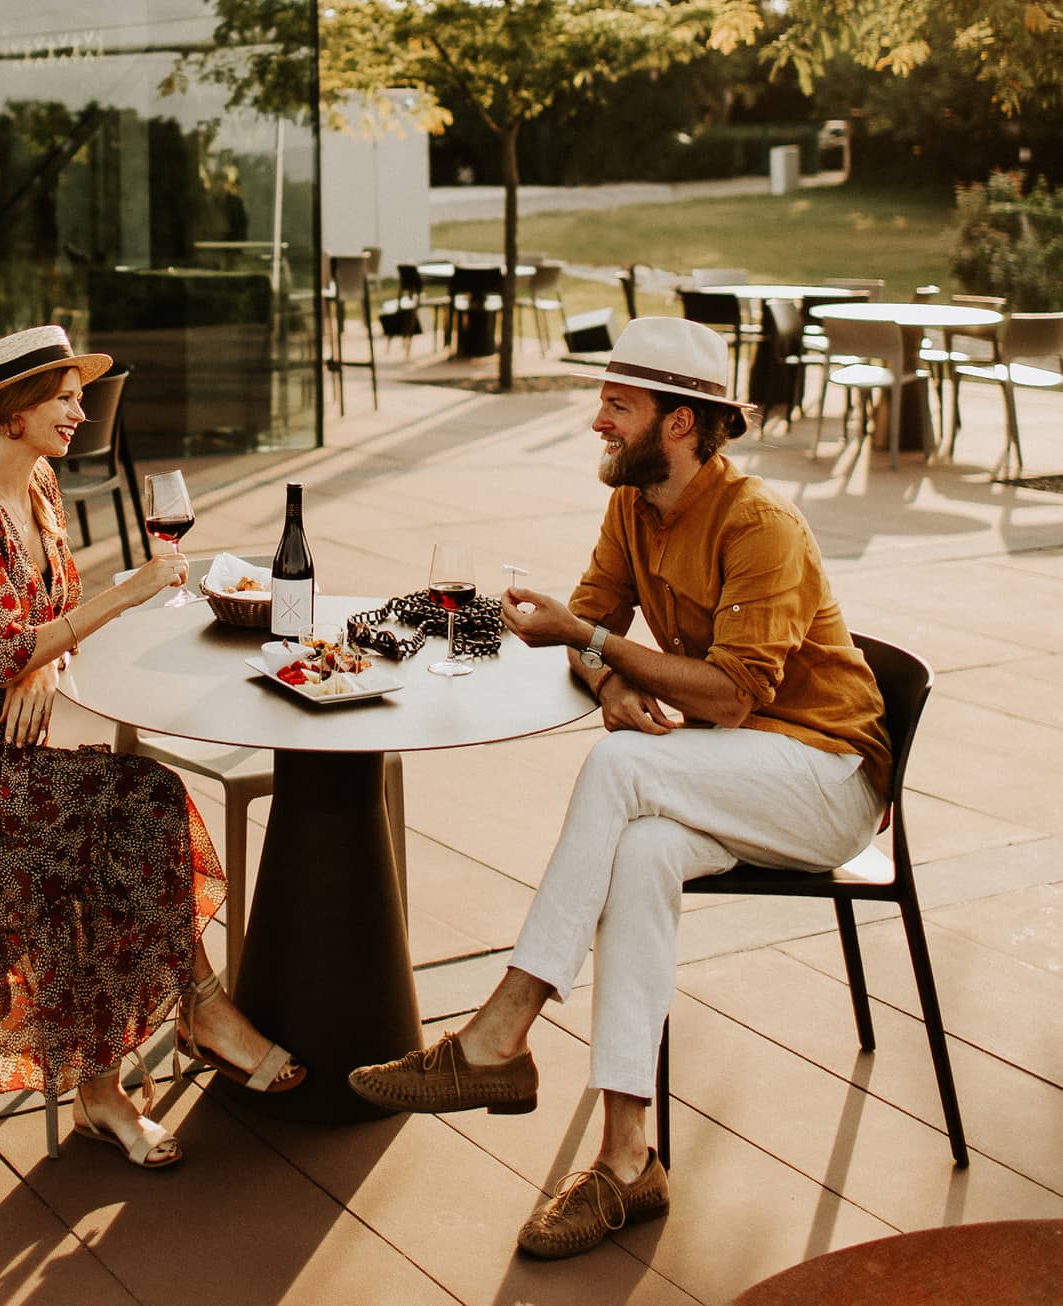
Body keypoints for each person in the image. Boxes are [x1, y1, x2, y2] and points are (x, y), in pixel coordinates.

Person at [348, 316, 891, 1259]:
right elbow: (588, 627)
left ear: (681, 423)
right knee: (639, 853)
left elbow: (727, 694)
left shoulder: (761, 523)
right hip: (740, 770)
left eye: (618, 404)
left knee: (620, 765)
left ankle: (501, 1031)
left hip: (824, 781)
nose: (597, 420)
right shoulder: (633, 505)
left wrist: (597, 650)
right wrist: (609, 675)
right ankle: (628, 1161)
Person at [0, 325, 304, 1172]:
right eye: (63, 396)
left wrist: (46, 662)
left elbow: (37, 626)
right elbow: (2, 648)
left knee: (117, 816)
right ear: (12, 412)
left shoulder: (40, 489)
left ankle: (111, 1086)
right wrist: (129, 592)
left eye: (77, 393)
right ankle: (194, 1014)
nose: (81, 408)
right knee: (134, 805)